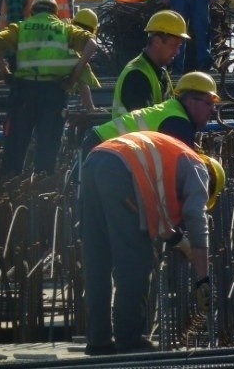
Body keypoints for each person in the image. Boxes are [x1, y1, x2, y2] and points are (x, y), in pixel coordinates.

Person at [79, 131, 224, 355]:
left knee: (97, 259)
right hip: (119, 171)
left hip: (94, 161)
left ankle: (98, 341)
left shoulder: (171, 156)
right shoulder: (198, 169)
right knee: (136, 260)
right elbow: (196, 218)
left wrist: (179, 241)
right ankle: (129, 338)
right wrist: (202, 279)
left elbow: (159, 221)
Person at [0, 0, 96, 178]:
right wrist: (74, 76)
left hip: (22, 92)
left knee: (14, 148)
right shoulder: (65, 28)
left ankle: (10, 191)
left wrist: (5, 73)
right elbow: (92, 44)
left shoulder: (21, 27)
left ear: (32, 12)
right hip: (53, 93)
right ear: (55, 13)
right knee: (48, 149)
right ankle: (43, 192)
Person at [83, 71, 219, 155]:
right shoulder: (179, 124)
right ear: (190, 101)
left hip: (101, 144)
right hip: (105, 150)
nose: (212, 111)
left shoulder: (173, 109)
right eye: (208, 103)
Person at [112, 10, 189, 117]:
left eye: (179, 46)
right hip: (135, 134)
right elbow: (144, 123)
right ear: (157, 42)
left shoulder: (160, 71)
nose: (177, 51)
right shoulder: (137, 76)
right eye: (174, 45)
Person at [70, 8, 102, 113]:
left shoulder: (64, 33)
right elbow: (82, 82)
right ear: (91, 31)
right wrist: (90, 108)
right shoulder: (77, 54)